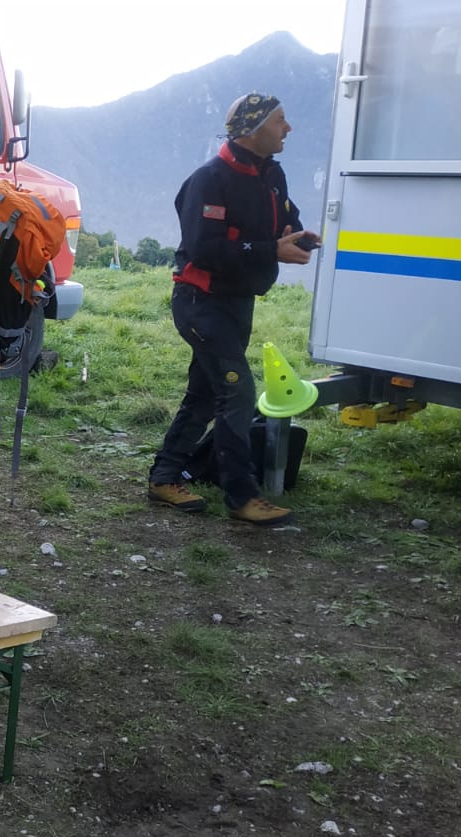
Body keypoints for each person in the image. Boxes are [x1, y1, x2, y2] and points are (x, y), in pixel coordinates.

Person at [146, 92, 318, 526]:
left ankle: (165, 477)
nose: (288, 128)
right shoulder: (210, 180)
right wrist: (269, 250)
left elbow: (283, 218)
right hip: (199, 303)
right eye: (280, 120)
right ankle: (242, 495)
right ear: (252, 129)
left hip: (237, 302)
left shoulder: (270, 175)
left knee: (205, 394)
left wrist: (296, 236)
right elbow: (203, 249)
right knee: (237, 391)